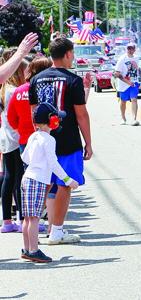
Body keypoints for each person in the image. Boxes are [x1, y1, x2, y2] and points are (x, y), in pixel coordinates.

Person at [29, 37, 92, 245]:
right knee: (65, 184)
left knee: (45, 183)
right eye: (72, 53)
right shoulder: (72, 80)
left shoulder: (36, 80)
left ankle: (33, 230)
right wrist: (88, 143)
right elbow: (81, 114)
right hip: (68, 141)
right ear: (67, 54)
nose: (73, 57)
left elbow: (34, 113)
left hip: (44, 137)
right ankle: (56, 231)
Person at [20, 103, 79, 263]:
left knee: (27, 218)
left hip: (26, 178)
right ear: (51, 120)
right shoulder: (49, 140)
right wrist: (68, 180)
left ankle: (26, 248)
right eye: (56, 117)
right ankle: (34, 250)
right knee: (34, 218)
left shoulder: (33, 136)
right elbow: (53, 164)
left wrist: (36, 161)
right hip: (37, 181)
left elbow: (24, 158)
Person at [1, 51, 27, 233]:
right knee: (18, 178)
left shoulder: (5, 89)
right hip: (15, 137)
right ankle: (21, 218)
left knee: (9, 178)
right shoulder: (12, 91)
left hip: (6, 136)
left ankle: (7, 221)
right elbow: (14, 117)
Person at [113, 42, 140, 126]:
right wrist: (127, 82)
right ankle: (123, 117)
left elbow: (137, 69)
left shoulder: (136, 58)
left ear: (134, 49)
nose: (129, 50)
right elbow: (117, 73)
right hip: (123, 84)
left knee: (134, 99)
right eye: (128, 48)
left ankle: (134, 119)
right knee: (123, 101)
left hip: (134, 82)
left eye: (131, 48)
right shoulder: (122, 59)